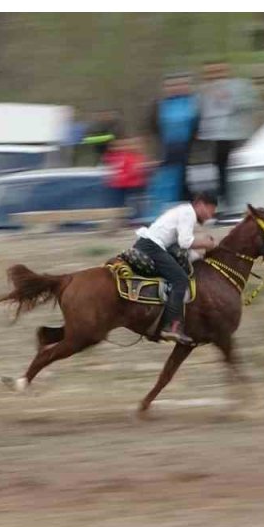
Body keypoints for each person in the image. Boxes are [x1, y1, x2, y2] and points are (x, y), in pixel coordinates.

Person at [123, 192, 219, 346]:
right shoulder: (188, 213)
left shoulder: (184, 212)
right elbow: (184, 242)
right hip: (152, 247)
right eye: (210, 211)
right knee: (180, 279)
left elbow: (179, 247)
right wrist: (206, 244)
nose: (209, 216)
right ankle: (172, 326)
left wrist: (199, 256)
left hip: (152, 245)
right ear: (200, 204)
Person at [197, 60, 259, 205]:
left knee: (237, 166)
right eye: (211, 73)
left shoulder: (240, 86)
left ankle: (244, 198)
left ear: (227, 71)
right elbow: (199, 112)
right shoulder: (203, 90)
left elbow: (251, 103)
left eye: (219, 72)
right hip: (214, 137)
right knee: (219, 169)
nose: (216, 76)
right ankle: (226, 200)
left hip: (236, 135)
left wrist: (229, 99)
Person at [144, 74, 201, 217]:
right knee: (168, 181)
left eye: (180, 85)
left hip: (189, 148)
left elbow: (199, 126)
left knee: (185, 181)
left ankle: (194, 212)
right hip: (167, 148)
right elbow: (152, 128)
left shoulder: (194, 103)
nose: (176, 88)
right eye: (171, 86)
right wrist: (152, 152)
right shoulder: (159, 105)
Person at [101, 137, 150, 215]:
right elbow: (112, 169)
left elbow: (135, 170)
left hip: (133, 185)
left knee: (133, 203)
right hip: (120, 185)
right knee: (121, 204)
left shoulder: (133, 157)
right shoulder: (115, 156)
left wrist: (121, 177)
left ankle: (135, 218)